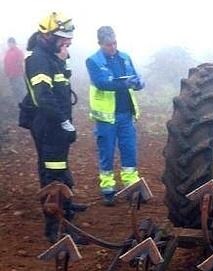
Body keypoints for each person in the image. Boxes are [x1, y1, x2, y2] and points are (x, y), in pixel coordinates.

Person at [23, 12, 87, 243]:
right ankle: (57, 229)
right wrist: (63, 122)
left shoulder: (51, 57)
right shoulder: (39, 60)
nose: (67, 42)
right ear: (47, 36)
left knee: (59, 169)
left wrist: (61, 59)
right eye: (62, 38)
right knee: (53, 176)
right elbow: (44, 97)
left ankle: (66, 208)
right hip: (50, 126)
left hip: (54, 126)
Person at [86, 26, 145, 206]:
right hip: (106, 118)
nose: (112, 47)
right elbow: (102, 83)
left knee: (129, 150)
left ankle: (131, 184)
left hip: (126, 113)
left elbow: (135, 77)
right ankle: (108, 188)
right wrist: (125, 83)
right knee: (107, 152)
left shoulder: (125, 57)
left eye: (114, 43)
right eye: (108, 45)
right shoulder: (93, 61)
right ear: (100, 44)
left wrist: (138, 83)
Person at [3, 37, 26, 101]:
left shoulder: (18, 52)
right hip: (11, 76)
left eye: (11, 43)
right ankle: (19, 103)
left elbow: (19, 62)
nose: (10, 45)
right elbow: (6, 63)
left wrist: (13, 72)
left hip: (18, 75)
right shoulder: (7, 52)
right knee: (15, 90)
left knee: (21, 90)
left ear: (14, 43)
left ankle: (25, 103)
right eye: (9, 43)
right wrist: (7, 73)